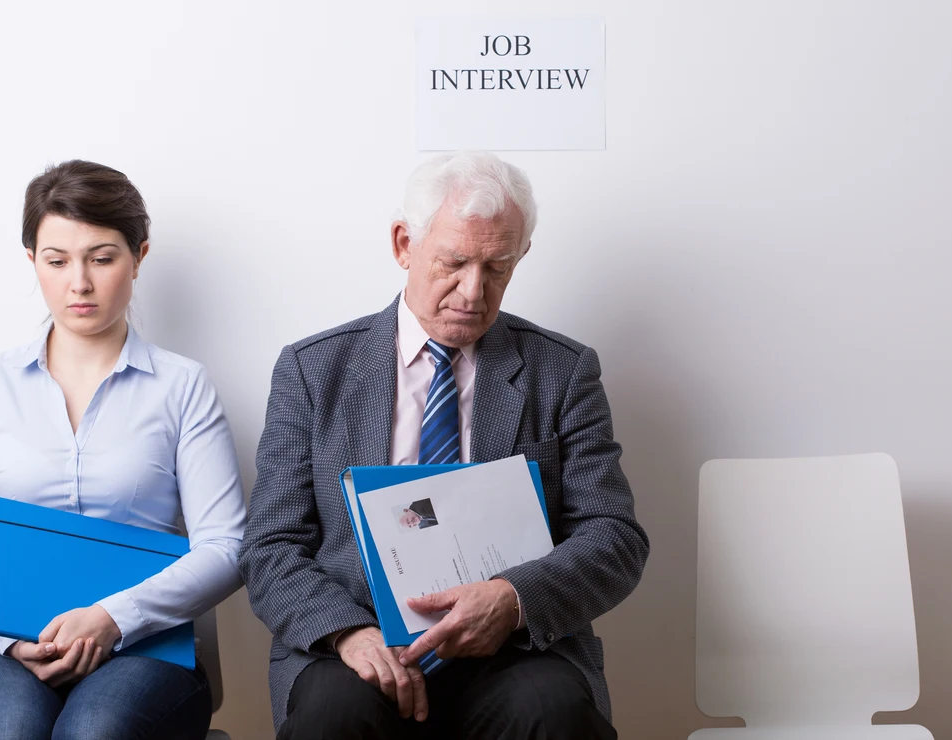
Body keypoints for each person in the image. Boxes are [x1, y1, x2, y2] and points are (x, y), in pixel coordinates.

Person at [239, 150, 650, 739]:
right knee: (332, 720)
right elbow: (270, 545)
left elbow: (614, 537)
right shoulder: (313, 370)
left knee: (553, 713)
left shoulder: (562, 370)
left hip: (514, 646)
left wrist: (512, 598)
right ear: (404, 244)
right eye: (453, 262)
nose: (473, 291)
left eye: (497, 267)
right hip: (356, 642)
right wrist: (347, 633)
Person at [0, 160, 246, 740]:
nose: (79, 282)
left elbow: (226, 547)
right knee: (7, 728)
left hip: (146, 650)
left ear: (138, 257)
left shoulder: (183, 386)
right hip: (12, 649)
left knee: (94, 731)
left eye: (101, 258)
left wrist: (111, 619)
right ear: (32, 260)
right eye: (57, 261)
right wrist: (7, 640)